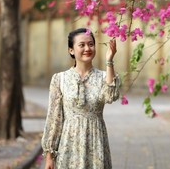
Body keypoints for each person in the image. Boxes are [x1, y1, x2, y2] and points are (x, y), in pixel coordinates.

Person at [42, 28, 119, 169]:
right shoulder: (60, 79)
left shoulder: (103, 76)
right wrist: (49, 156)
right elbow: (54, 119)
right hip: (68, 146)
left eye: (91, 44)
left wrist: (109, 61)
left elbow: (111, 96)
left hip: (96, 143)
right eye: (81, 45)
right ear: (71, 50)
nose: (87, 48)